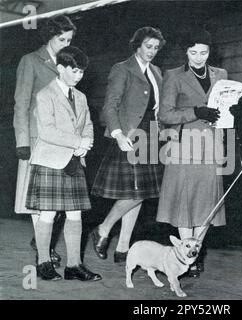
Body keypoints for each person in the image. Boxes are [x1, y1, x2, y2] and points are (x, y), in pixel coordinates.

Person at [25, 46, 101, 281]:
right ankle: (43, 263)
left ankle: (73, 266)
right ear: (60, 68)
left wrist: (86, 143)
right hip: (50, 161)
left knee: (75, 215)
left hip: (74, 160)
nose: (79, 76)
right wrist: (77, 142)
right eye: (75, 71)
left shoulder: (81, 96)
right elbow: (46, 131)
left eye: (81, 72)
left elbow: (88, 124)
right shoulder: (44, 95)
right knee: (47, 215)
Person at [156, 27, 227, 277]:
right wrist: (196, 112)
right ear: (185, 52)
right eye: (193, 52)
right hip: (185, 146)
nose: (199, 57)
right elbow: (164, 114)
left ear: (210, 52)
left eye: (204, 52)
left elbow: (227, 109)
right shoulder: (174, 76)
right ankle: (187, 255)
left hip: (212, 146)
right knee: (185, 204)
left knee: (207, 204)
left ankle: (196, 250)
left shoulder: (221, 74)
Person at [91, 27, 166, 264]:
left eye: (156, 47)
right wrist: (118, 134)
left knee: (139, 194)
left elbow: (157, 108)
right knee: (135, 192)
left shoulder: (156, 72)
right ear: (137, 46)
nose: (152, 51)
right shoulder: (122, 69)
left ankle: (123, 246)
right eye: (148, 46)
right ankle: (103, 228)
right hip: (129, 136)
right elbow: (109, 106)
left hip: (150, 136)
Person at [13, 15, 76, 267]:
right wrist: (22, 141)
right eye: (61, 39)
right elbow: (21, 103)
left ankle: (42, 243)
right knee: (37, 198)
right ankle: (44, 252)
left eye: (69, 39)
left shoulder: (69, 64)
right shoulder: (30, 61)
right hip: (37, 139)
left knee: (57, 201)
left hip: (61, 141)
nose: (66, 43)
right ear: (49, 36)